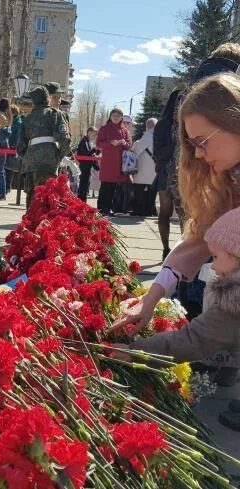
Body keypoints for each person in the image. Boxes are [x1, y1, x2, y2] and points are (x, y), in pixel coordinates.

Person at [111, 73, 240, 383]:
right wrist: (148, 301)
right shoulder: (228, 181)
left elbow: (202, 337)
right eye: (191, 144)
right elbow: (193, 244)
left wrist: (137, 352)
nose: (196, 153)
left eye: (202, 142)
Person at [113, 206, 240, 431]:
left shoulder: (233, 303)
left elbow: (190, 341)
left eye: (217, 257)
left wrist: (133, 352)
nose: (214, 267)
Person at [18, 86, 71, 208]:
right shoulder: (55, 114)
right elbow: (65, 139)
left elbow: (20, 147)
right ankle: (44, 224)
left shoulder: (27, 118)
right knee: (47, 196)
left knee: (32, 197)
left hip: (30, 163)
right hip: (48, 162)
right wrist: (58, 156)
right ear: (47, 99)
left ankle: (30, 223)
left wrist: (28, 158)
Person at [154, 89, 184, 259]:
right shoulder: (163, 125)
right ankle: (165, 248)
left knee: (184, 214)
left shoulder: (189, 123)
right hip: (166, 173)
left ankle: (182, 251)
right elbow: (157, 153)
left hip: (185, 175)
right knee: (165, 210)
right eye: (180, 100)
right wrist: (175, 144)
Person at [96, 108, 132, 216]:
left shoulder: (125, 130)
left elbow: (130, 145)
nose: (116, 118)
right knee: (105, 186)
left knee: (114, 188)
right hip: (107, 163)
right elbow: (98, 144)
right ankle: (102, 209)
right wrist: (111, 143)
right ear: (110, 117)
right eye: (114, 115)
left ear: (121, 117)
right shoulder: (104, 128)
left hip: (119, 164)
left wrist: (123, 143)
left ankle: (110, 209)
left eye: (118, 116)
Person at [131, 118, 158, 216]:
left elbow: (136, 152)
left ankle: (139, 211)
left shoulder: (146, 137)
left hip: (143, 171)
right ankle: (150, 211)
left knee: (139, 193)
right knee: (151, 194)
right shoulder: (158, 137)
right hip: (154, 171)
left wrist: (134, 146)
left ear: (147, 126)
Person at [76, 127, 101, 202]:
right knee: (83, 185)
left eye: (96, 135)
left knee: (86, 185)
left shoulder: (89, 142)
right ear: (89, 132)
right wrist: (94, 149)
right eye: (94, 134)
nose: (95, 136)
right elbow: (86, 154)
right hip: (84, 167)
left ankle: (83, 201)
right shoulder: (84, 141)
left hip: (88, 167)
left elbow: (91, 155)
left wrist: (98, 151)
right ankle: (81, 201)